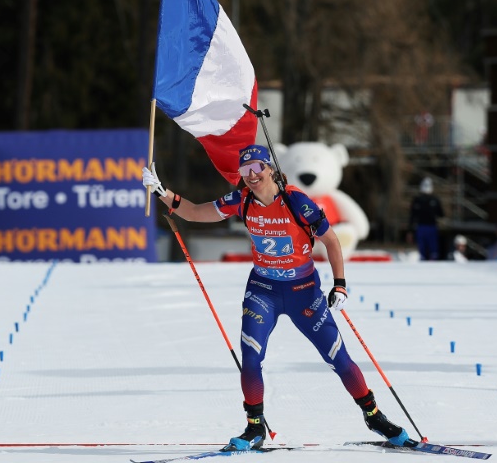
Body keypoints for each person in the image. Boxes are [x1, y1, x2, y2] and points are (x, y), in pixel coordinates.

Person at [142, 144, 411, 451]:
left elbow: (331, 240)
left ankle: (374, 416)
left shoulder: (295, 201)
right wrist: (161, 191)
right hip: (263, 290)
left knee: (338, 357)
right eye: (245, 171)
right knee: (251, 358)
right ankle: (254, 427)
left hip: (303, 291)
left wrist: (340, 285)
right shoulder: (241, 200)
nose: (252, 176)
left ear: (270, 168)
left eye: (257, 168)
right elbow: (194, 212)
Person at [408, 177, 444, 261]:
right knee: (423, 250)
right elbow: (413, 215)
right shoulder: (417, 200)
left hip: (430, 226)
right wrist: (410, 230)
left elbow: (441, 214)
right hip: (422, 226)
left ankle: (432, 262)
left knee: (433, 249)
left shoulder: (434, 200)